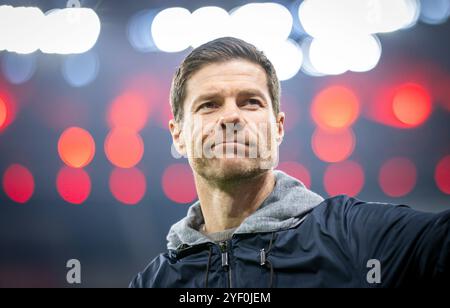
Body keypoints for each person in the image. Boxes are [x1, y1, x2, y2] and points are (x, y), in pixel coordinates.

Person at [130, 37, 449, 288]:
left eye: (250, 102)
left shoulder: (355, 238)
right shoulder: (153, 282)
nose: (231, 116)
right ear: (178, 135)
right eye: (209, 105)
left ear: (278, 128)